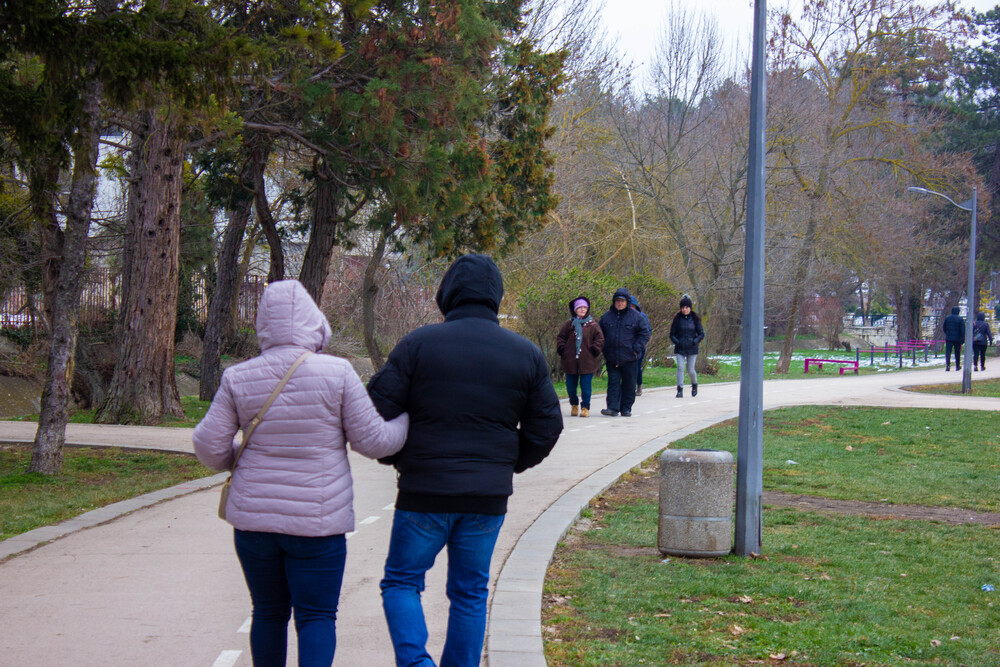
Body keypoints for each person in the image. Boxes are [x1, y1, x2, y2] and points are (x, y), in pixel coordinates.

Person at [192, 280, 409, 667]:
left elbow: (208, 445)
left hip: (255, 524)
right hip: (317, 523)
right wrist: (406, 423)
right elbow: (373, 442)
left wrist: (240, 458)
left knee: (267, 612)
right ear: (314, 322)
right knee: (317, 616)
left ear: (263, 325)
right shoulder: (337, 373)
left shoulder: (238, 377)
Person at [367, 254, 563, 667]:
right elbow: (547, 427)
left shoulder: (418, 345)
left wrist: (401, 456)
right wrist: (507, 462)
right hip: (486, 498)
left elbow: (376, 411)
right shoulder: (525, 353)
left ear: (448, 293)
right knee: (470, 592)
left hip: (423, 491)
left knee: (402, 582)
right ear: (495, 296)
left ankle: (416, 663)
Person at [598, 287, 651, 417]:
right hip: (612, 357)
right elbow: (599, 335)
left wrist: (636, 349)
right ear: (614, 301)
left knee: (629, 384)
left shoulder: (637, 317)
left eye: (622, 301)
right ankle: (612, 407)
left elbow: (645, 333)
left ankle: (626, 408)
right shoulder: (606, 317)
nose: (620, 303)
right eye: (617, 301)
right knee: (613, 383)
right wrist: (604, 349)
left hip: (630, 357)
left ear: (627, 302)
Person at [556, 296, 605, 417]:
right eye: (580, 308)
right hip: (570, 361)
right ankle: (574, 404)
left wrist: (594, 350)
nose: (582, 309)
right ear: (575, 310)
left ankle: (585, 407)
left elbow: (600, 339)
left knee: (586, 386)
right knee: (570, 387)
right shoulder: (569, 324)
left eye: (584, 307)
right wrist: (563, 349)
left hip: (587, 361)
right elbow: (561, 338)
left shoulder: (593, 325)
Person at [669, 294, 705, 398]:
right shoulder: (677, 319)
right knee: (680, 368)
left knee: (690, 369)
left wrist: (695, 341)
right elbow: (672, 334)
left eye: (687, 307)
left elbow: (701, 334)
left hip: (692, 347)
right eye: (683, 307)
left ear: (690, 308)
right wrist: (677, 342)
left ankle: (694, 384)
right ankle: (679, 389)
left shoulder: (695, 319)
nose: (685, 309)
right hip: (680, 347)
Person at [629, 296, 651, 396]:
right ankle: (630, 386)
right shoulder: (625, 317)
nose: (632, 308)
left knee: (637, 367)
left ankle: (639, 385)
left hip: (639, 346)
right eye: (630, 306)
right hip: (627, 346)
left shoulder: (642, 317)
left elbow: (647, 331)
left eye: (633, 306)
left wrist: (641, 343)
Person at [942, 306, 965, 372]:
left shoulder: (947, 318)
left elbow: (944, 327)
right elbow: (962, 330)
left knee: (948, 352)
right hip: (957, 338)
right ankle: (957, 365)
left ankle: (948, 365)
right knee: (957, 352)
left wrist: (947, 333)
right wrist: (962, 338)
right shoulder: (960, 319)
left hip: (949, 338)